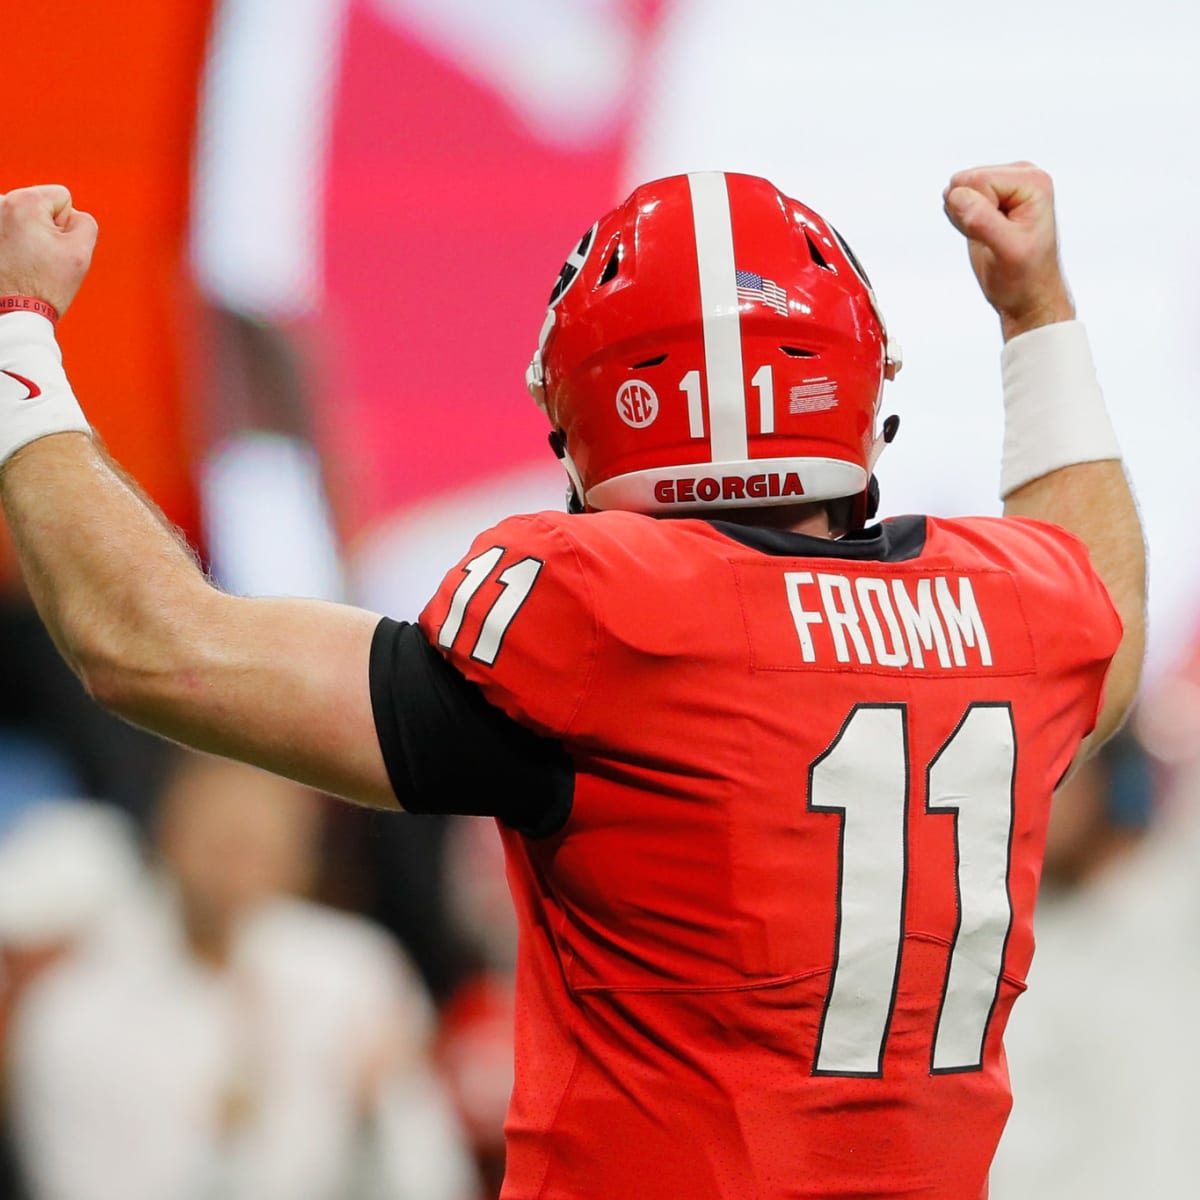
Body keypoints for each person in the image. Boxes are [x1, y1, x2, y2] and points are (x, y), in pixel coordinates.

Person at [0, 164, 1145, 1198]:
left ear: (583, 412)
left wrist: (20, 338)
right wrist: (1035, 312)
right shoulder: (1014, 615)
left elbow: (150, 643)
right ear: (859, 389)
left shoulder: (598, 614)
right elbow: (1110, 617)